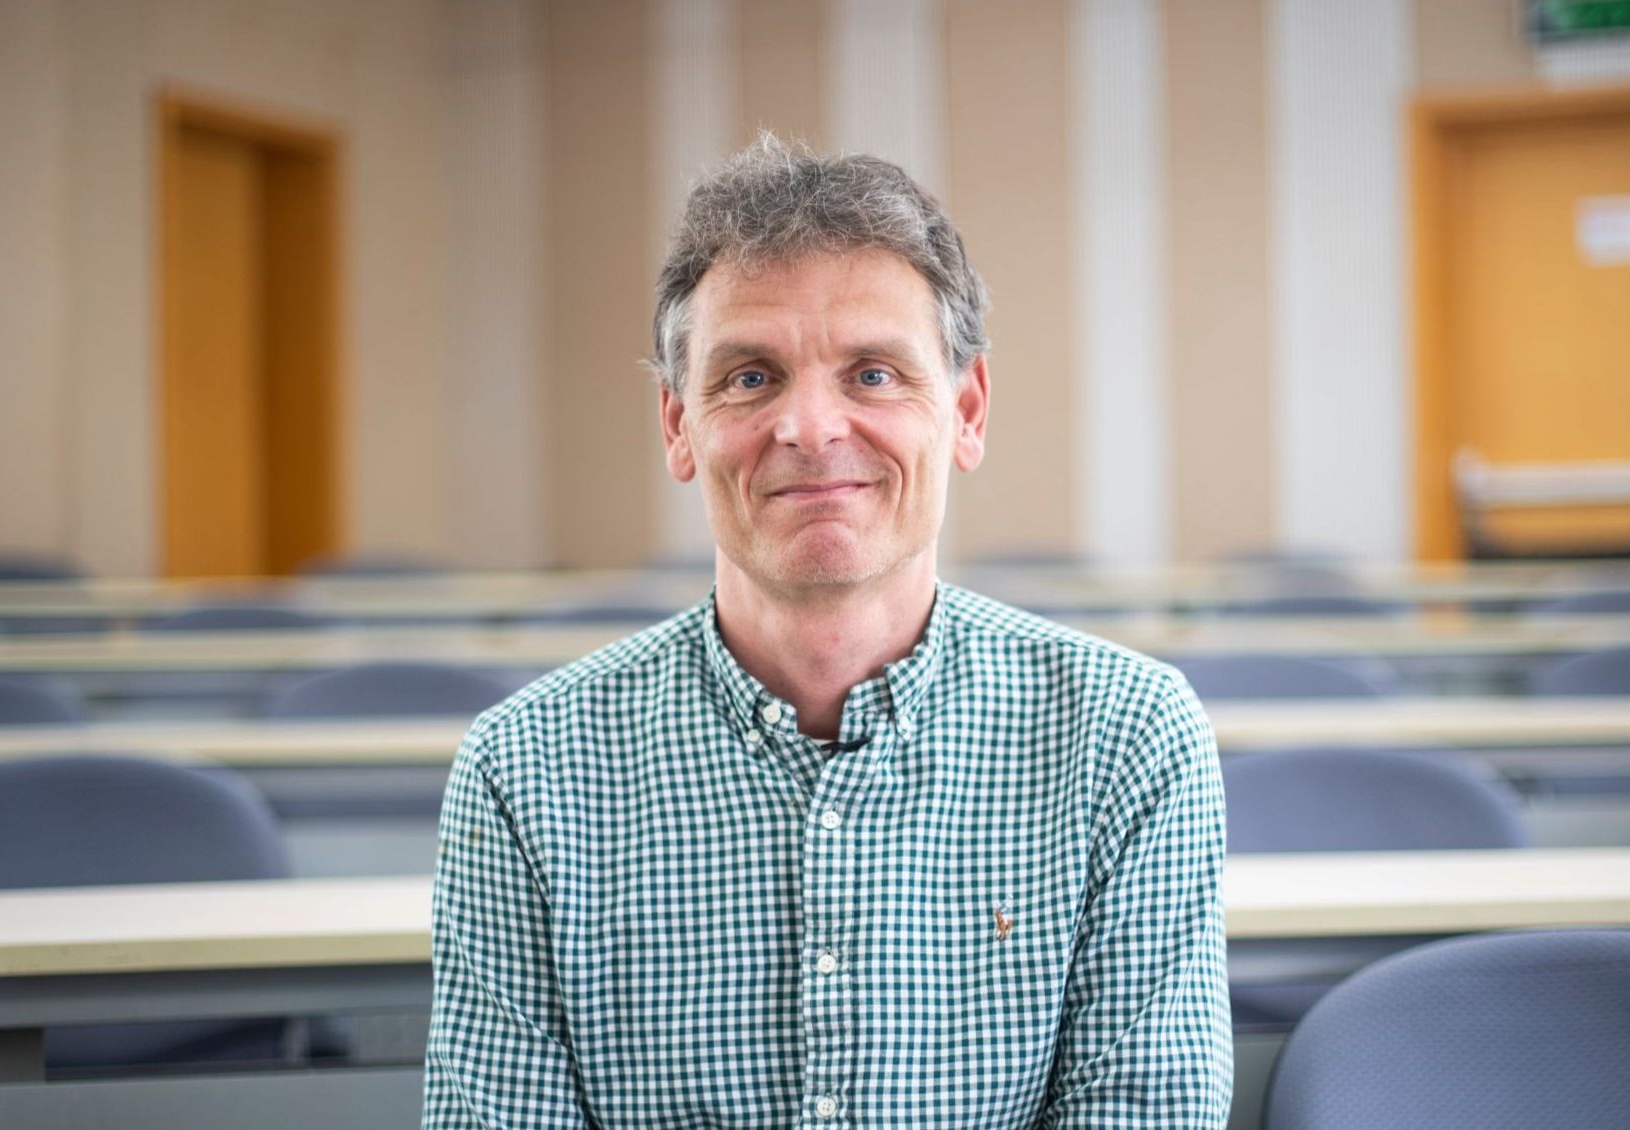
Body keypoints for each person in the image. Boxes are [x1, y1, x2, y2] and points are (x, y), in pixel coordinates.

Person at [424, 135, 1232, 1127]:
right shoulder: (525, 770)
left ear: (966, 410)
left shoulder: (1126, 736)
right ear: (676, 425)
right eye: (750, 377)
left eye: (874, 374)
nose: (809, 427)